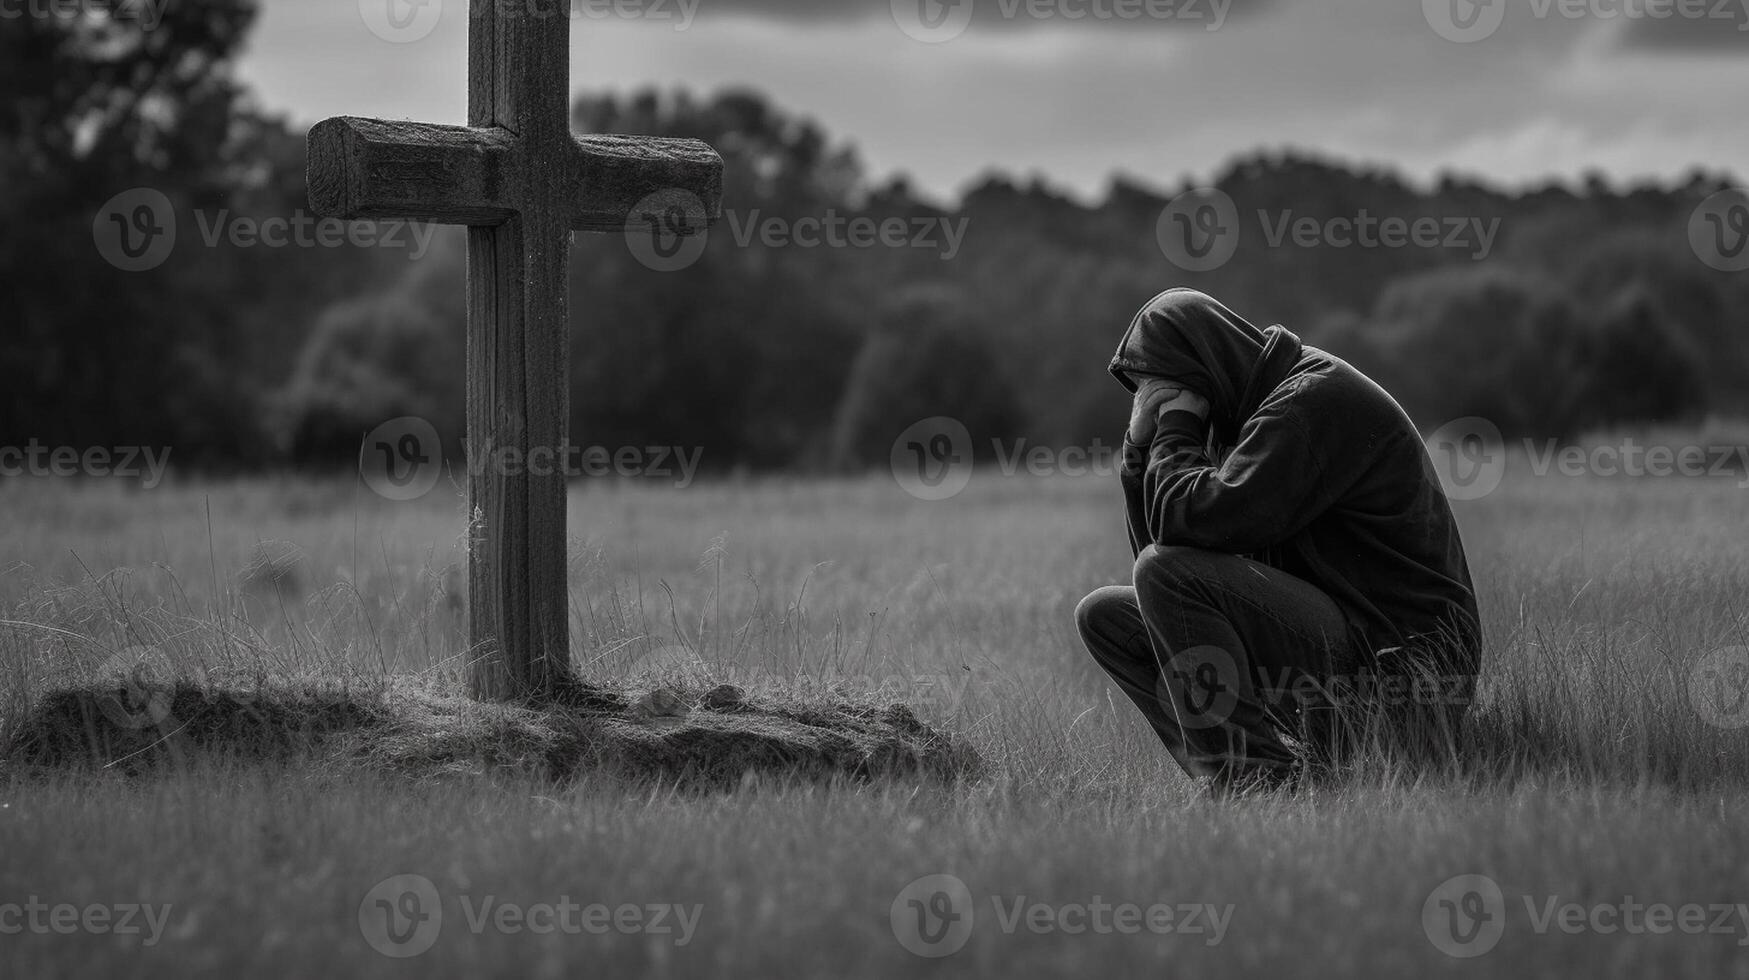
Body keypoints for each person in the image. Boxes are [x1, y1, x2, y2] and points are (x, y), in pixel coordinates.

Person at [1075, 288, 1482, 793]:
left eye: (1163, 393)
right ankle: (1248, 768)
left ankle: (1252, 781)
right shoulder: (1248, 411)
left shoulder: (1308, 402)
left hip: (1405, 676)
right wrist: (1137, 452)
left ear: (1203, 371)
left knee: (1166, 573)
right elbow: (1163, 553)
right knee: (1106, 617)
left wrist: (1177, 429)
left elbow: (1184, 535)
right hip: (1350, 648)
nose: (1159, 412)